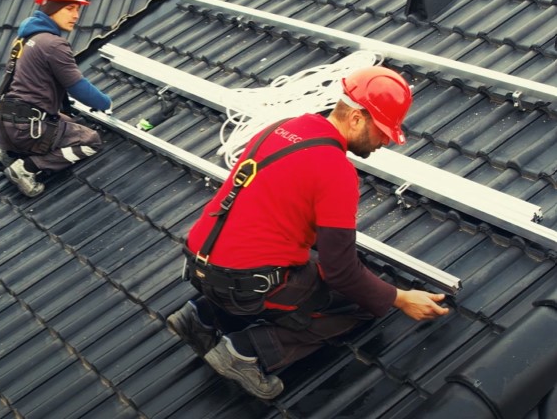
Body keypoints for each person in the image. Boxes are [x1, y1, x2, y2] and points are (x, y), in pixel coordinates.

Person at [166, 66, 450, 400]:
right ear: (357, 118)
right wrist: (399, 298)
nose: (386, 141)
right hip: (242, 284)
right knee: (362, 304)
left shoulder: (284, 127)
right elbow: (341, 272)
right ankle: (246, 352)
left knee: (315, 272)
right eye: (383, 131)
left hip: (199, 262)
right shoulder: (336, 169)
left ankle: (200, 315)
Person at [0, 0, 111, 197]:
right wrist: (105, 102)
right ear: (52, 7)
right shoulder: (53, 44)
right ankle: (26, 168)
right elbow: (78, 87)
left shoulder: (24, 39)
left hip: (3, 124)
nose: (76, 15)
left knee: (66, 121)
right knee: (90, 140)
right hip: (28, 130)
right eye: (69, 8)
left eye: (77, 9)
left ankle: (7, 154)